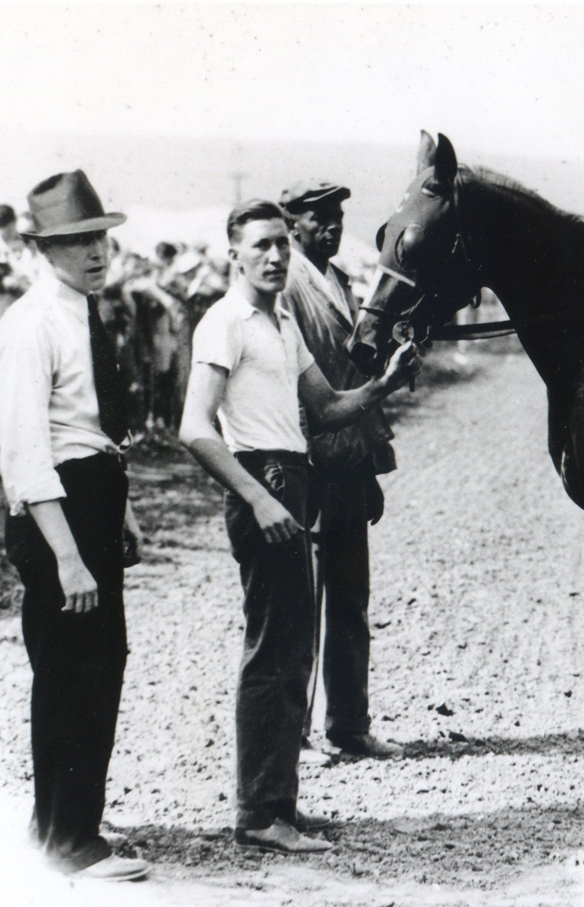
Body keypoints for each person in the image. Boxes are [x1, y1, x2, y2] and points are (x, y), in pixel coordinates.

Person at [179, 199, 420, 854]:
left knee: (293, 650)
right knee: (272, 653)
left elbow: (327, 406)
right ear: (233, 254)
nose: (275, 255)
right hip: (264, 484)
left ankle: (278, 803)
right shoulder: (224, 324)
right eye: (260, 245)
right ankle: (259, 813)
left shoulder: (280, 320)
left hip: (294, 476)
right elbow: (195, 428)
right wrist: (258, 500)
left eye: (282, 244)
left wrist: (386, 385)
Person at [0, 169, 151, 881]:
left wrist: (123, 514)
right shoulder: (30, 324)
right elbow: (26, 451)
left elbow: (91, 431)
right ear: (42, 248)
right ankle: (69, 842)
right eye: (75, 241)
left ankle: (58, 822)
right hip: (56, 512)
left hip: (90, 499)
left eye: (99, 238)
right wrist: (68, 556)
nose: (95, 253)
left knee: (94, 664)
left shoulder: (81, 314)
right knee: (71, 670)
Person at [280, 179, 403, 760]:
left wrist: (373, 463)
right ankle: (294, 730)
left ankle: (349, 724)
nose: (330, 227)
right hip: (305, 458)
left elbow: (354, 380)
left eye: (337, 217)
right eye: (318, 218)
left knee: (351, 594)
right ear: (291, 223)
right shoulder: (285, 284)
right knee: (302, 601)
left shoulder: (337, 281)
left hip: (348, 458)